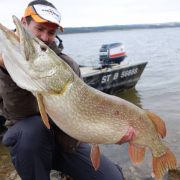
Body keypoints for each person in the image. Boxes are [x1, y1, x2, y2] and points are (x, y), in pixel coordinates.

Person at [0, 0, 125, 180]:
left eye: (51, 32)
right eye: (39, 29)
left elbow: (83, 110)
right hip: (30, 143)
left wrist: (111, 132)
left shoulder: (68, 65)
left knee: (112, 178)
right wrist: (6, 71)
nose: (44, 37)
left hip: (66, 144)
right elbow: (17, 114)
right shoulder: (5, 60)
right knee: (31, 130)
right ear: (24, 23)